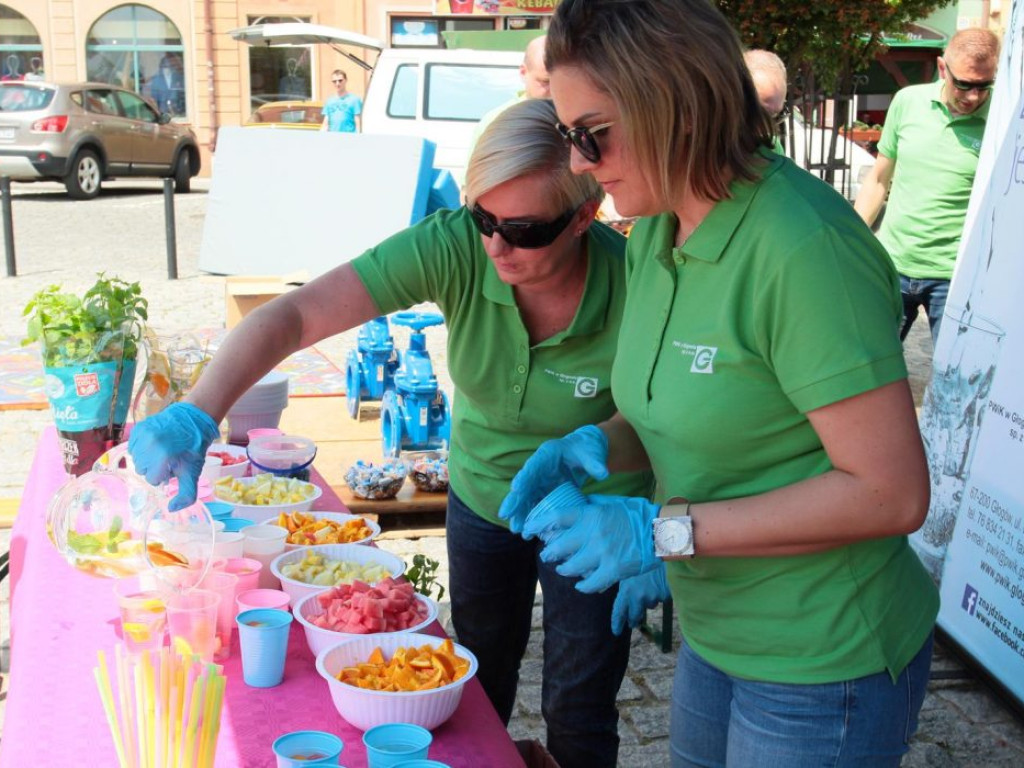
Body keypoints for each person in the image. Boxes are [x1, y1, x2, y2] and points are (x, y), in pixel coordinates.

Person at [128, 98, 650, 768]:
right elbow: (296, 316)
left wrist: (625, 476)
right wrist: (199, 410)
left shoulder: (635, 281)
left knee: (579, 702)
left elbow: (665, 414)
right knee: (471, 684)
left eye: (521, 230)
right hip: (485, 496)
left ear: (584, 215)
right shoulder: (455, 245)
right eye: (482, 218)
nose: (495, 246)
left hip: (594, 513)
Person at [498, 1, 939, 766]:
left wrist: (660, 531)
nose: (577, 163)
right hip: (717, 628)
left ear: (675, 106)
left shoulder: (803, 251)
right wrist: (593, 444)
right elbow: (700, 404)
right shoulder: (658, 230)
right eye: (567, 134)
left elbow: (890, 494)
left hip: (823, 652)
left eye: (589, 135)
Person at [854, 27, 1000, 344]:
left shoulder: (1001, 119)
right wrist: (854, 239)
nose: (973, 96)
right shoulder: (908, 102)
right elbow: (879, 179)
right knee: (872, 366)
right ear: (942, 68)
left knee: (955, 379)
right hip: (893, 264)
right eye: (964, 84)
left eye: (983, 86)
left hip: (957, 277)